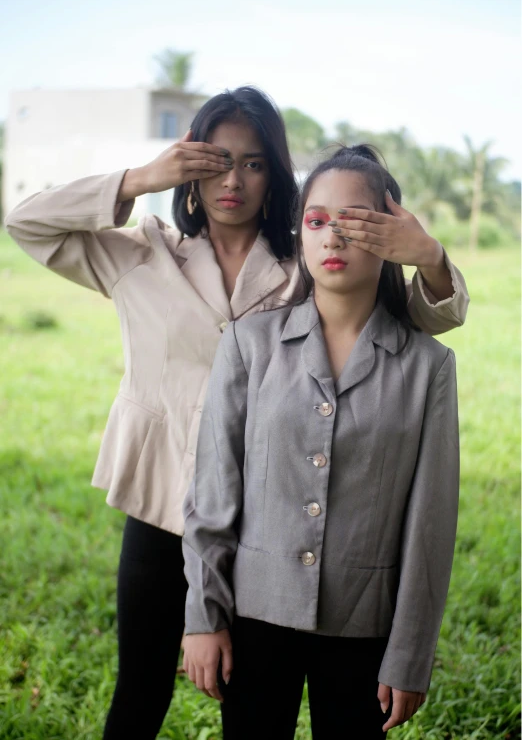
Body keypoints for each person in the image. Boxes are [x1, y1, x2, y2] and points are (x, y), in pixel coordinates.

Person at [5, 88, 468, 739]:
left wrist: (428, 255)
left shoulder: (303, 261)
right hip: (163, 500)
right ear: (188, 164)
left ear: (275, 175)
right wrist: (143, 178)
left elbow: (414, 324)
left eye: (253, 163)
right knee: (138, 692)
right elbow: (26, 222)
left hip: (264, 519)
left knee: (256, 703)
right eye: (215, 159)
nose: (233, 177)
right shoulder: (141, 253)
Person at [182, 144, 460, 739]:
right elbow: (213, 493)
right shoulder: (248, 344)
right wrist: (203, 617)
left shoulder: (427, 366)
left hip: (366, 625)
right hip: (255, 615)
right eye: (316, 221)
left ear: (391, 235)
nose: (333, 236)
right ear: (300, 236)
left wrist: (410, 653)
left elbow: (430, 524)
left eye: (356, 221)